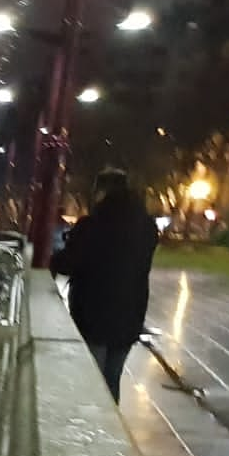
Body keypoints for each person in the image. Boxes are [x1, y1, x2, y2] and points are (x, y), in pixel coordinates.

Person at [50, 169, 158, 402]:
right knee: (112, 380)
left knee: (92, 383)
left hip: (94, 315)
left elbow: (67, 263)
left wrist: (53, 257)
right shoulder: (147, 228)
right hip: (131, 316)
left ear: (101, 192)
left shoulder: (93, 225)